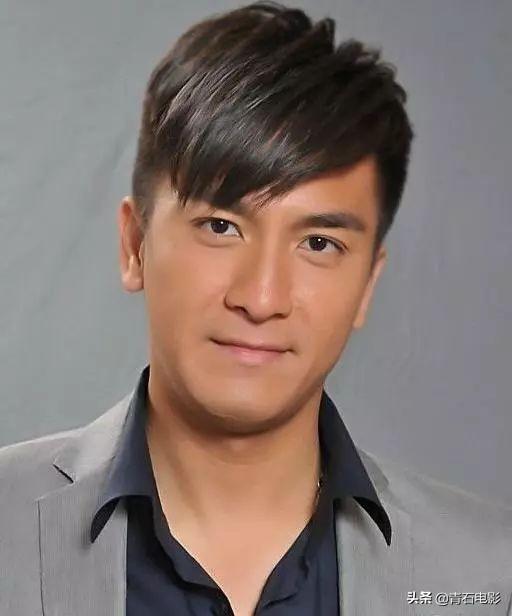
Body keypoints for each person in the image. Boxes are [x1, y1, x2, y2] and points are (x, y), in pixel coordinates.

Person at [1, 2, 511, 615]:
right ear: (135, 245)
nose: (261, 299)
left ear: (368, 284)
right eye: (221, 226)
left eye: (318, 243)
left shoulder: (487, 576)